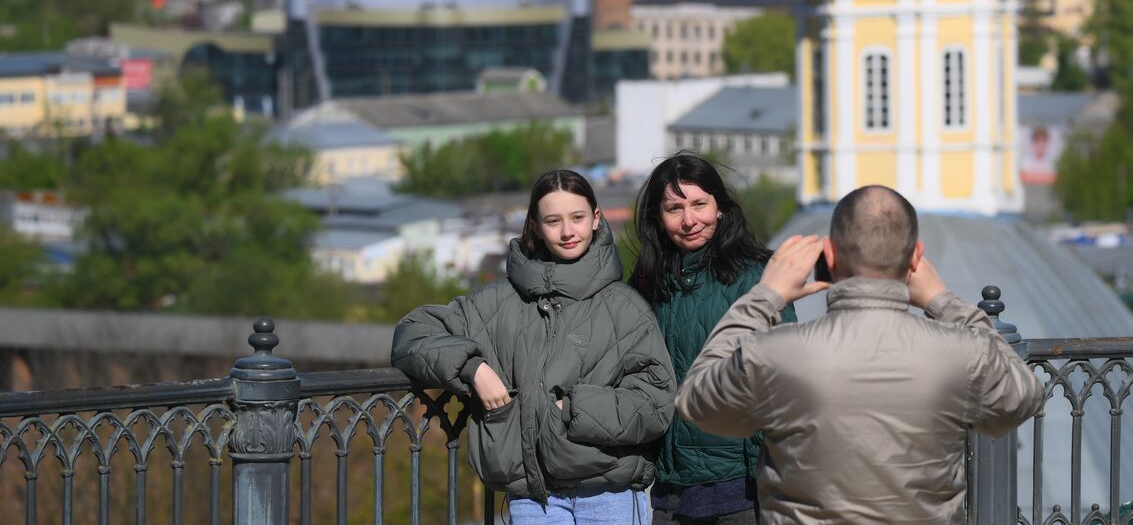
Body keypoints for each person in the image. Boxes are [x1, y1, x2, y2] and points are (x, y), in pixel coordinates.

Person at [676, 185, 1044, 524]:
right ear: (916, 258)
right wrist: (942, 300)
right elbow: (1022, 395)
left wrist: (765, 296)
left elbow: (695, 400)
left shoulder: (776, 354)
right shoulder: (961, 353)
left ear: (830, 255)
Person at [391, 170, 674, 524]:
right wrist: (472, 369)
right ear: (536, 226)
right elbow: (412, 333)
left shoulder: (625, 307)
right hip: (532, 497)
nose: (568, 231)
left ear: (596, 219)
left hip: (609, 493)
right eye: (553, 221)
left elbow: (655, 404)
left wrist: (572, 408)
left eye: (578, 218)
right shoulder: (497, 302)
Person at [628, 152, 796, 524]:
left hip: (743, 489)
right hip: (670, 490)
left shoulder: (756, 277)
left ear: (720, 207)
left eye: (699, 204)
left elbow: (787, 376)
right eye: (674, 208)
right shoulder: (646, 283)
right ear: (657, 217)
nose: (689, 220)